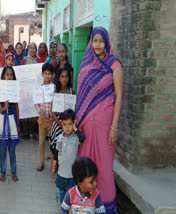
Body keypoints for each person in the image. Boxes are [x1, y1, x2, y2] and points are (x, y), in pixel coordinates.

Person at [76, 27, 123, 214]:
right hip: (87, 126)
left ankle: (106, 209)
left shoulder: (114, 65)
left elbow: (119, 96)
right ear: (90, 42)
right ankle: (83, 207)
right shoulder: (86, 64)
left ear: (107, 43)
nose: (97, 45)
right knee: (85, 165)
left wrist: (114, 127)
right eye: (94, 41)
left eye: (101, 41)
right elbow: (82, 95)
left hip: (105, 127)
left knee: (103, 169)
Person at [51, 109, 85, 206]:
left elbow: (83, 138)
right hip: (60, 176)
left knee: (70, 201)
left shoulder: (76, 138)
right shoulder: (59, 138)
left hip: (71, 178)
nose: (67, 127)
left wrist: (75, 128)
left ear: (73, 124)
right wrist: (54, 167)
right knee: (60, 199)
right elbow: (57, 154)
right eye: (64, 124)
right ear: (61, 124)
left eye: (70, 124)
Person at [0, 66, 20, 182]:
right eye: (7, 74)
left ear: (13, 77)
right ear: (3, 76)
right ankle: (3, 171)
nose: (9, 77)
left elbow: (17, 108)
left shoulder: (15, 90)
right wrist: (4, 107)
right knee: (3, 149)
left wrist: (18, 124)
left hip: (12, 121)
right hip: (3, 122)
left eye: (11, 75)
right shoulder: (0, 91)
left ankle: (13, 171)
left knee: (12, 149)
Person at [50, 67, 75, 160]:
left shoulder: (72, 91)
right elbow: (52, 112)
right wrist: (59, 123)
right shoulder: (56, 92)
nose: (64, 79)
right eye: (62, 76)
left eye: (66, 76)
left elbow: (74, 110)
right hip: (58, 124)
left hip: (69, 125)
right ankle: (56, 165)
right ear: (58, 78)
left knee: (68, 150)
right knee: (58, 148)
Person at [35, 63, 55, 171]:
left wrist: (53, 115)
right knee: (41, 142)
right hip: (42, 120)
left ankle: (53, 163)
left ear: (52, 75)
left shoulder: (54, 88)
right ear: (42, 75)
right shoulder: (39, 89)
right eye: (45, 73)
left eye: (49, 74)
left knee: (51, 142)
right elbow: (36, 104)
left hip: (52, 121)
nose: (47, 76)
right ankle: (41, 162)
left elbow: (56, 103)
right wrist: (40, 112)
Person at [20, 42, 42, 139]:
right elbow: (21, 71)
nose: (32, 50)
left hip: (36, 87)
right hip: (26, 87)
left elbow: (41, 73)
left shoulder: (38, 60)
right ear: (28, 49)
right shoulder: (25, 60)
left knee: (35, 108)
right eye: (30, 48)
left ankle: (34, 131)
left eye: (34, 48)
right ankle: (26, 132)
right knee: (26, 107)